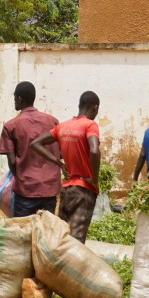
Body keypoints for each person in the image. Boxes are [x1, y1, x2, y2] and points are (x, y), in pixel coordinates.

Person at [29, 91, 101, 241]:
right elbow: (94, 150)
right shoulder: (90, 125)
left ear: (79, 105)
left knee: (61, 236)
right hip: (83, 190)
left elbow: (35, 143)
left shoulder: (63, 126)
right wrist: (94, 179)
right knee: (75, 241)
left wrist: (60, 164)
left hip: (66, 190)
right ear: (94, 108)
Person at [0, 81, 61, 216]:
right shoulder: (53, 121)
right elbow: (59, 153)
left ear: (19, 98)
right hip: (49, 188)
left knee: (23, 231)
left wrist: (20, 178)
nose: (14, 102)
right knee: (45, 232)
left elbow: (13, 162)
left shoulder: (11, 126)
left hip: (26, 189)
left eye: (15, 98)